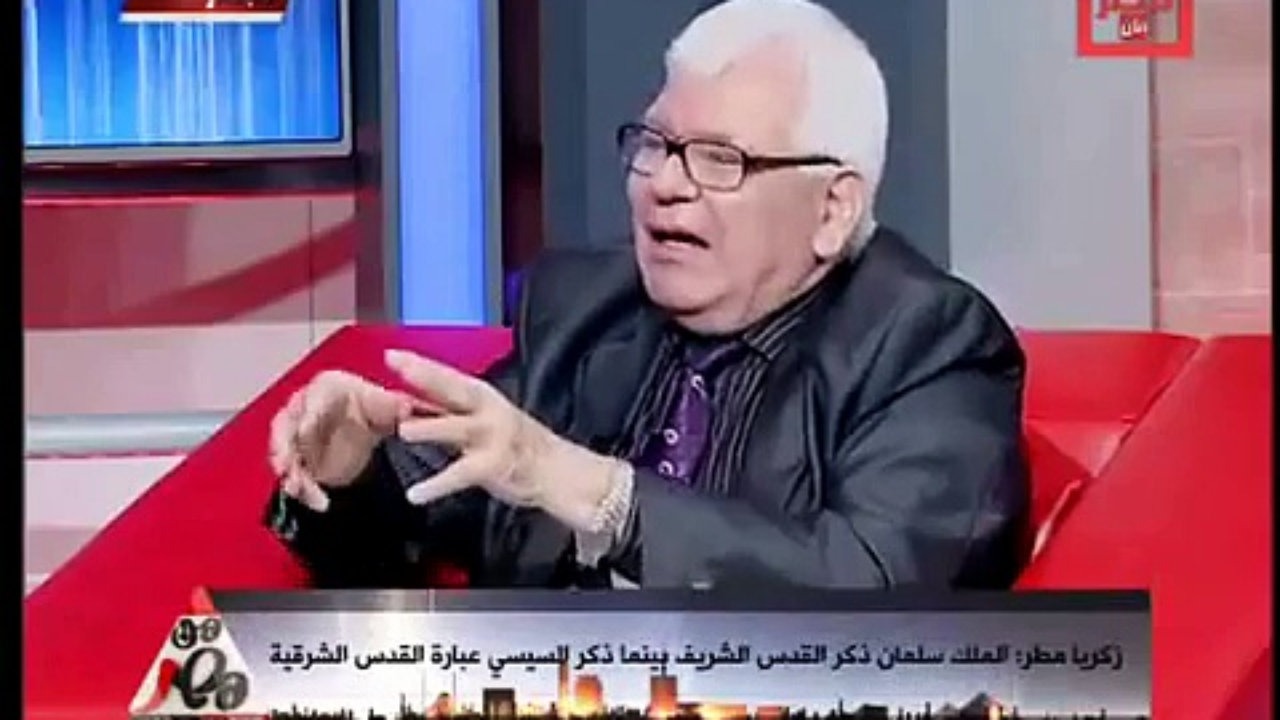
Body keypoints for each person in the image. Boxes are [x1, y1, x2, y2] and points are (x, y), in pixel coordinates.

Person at [265, 0, 1030, 590]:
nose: (664, 184)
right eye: (655, 145)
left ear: (832, 209)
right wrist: (350, 473)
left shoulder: (927, 343)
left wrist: (606, 498)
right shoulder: (585, 310)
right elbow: (413, 531)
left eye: (720, 160)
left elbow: (878, 589)